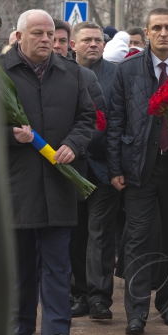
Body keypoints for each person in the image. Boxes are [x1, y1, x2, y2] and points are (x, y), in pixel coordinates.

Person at [1, 10, 95, 335]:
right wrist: (12, 136)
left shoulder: (72, 73)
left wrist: (73, 144)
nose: (46, 40)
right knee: (19, 271)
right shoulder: (0, 74)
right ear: (19, 36)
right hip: (16, 188)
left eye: (50, 34)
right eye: (38, 34)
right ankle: (18, 333)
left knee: (58, 268)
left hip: (58, 185)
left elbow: (88, 118)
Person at [107, 8, 168, 335]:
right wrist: (115, 167)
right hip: (139, 167)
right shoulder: (127, 70)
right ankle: (136, 312)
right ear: (146, 32)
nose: (163, 33)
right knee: (138, 241)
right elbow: (116, 121)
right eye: (156, 27)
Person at [50, 21, 106, 319]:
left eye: (60, 40)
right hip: (39, 171)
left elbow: (96, 121)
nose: (56, 45)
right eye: (51, 39)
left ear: (68, 44)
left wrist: (73, 146)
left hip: (79, 168)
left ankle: (83, 293)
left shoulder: (83, 76)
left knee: (81, 238)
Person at [69, 22, 121, 321]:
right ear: (73, 44)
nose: (93, 44)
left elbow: (120, 122)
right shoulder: (63, 73)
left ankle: (100, 298)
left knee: (100, 235)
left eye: (98, 40)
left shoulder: (118, 75)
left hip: (104, 168)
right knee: (76, 235)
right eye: (86, 40)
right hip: (70, 167)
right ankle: (79, 294)